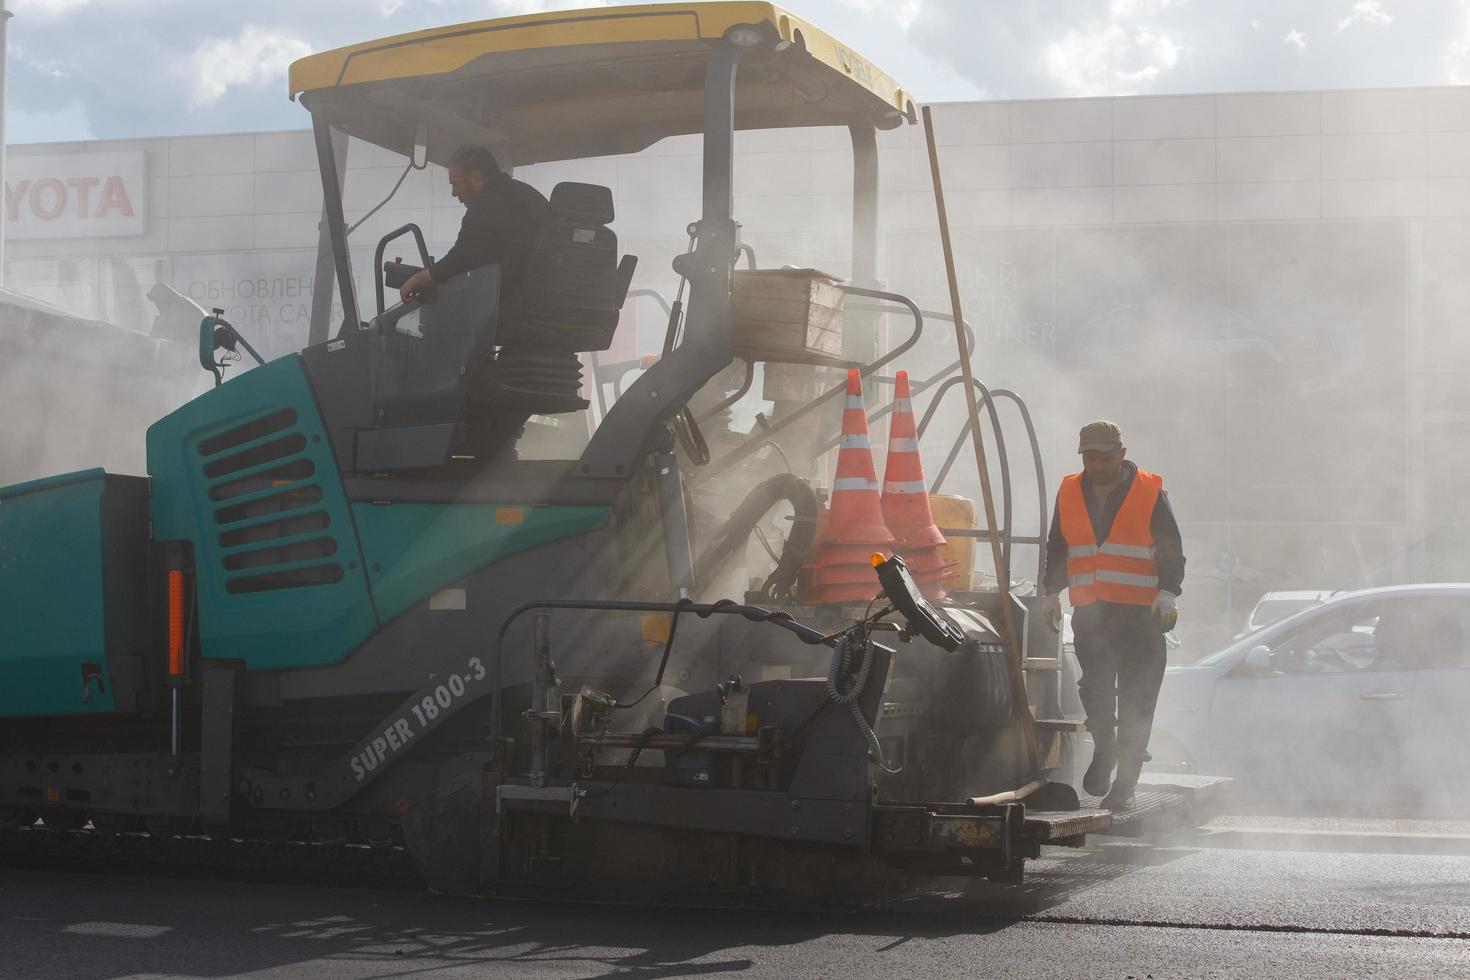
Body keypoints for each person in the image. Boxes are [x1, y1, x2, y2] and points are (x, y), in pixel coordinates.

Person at [1040, 420, 1185, 810]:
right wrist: (1051, 592)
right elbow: (1058, 545)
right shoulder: (1070, 489)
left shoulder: (1149, 491)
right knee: (1096, 689)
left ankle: (1125, 786)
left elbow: (1171, 548)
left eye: (1106, 457)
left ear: (1121, 454)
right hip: (1092, 613)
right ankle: (1105, 748)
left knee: (1138, 702)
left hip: (1141, 616)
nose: (1098, 465)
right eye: (1091, 457)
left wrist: (1168, 591)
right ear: (1082, 456)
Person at [399, 144, 551, 311]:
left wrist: (418, 279)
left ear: (476, 178)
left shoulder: (486, 204)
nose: (453, 193)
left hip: (512, 314)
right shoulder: (528, 195)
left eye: (455, 184)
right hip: (539, 303)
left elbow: (461, 258)